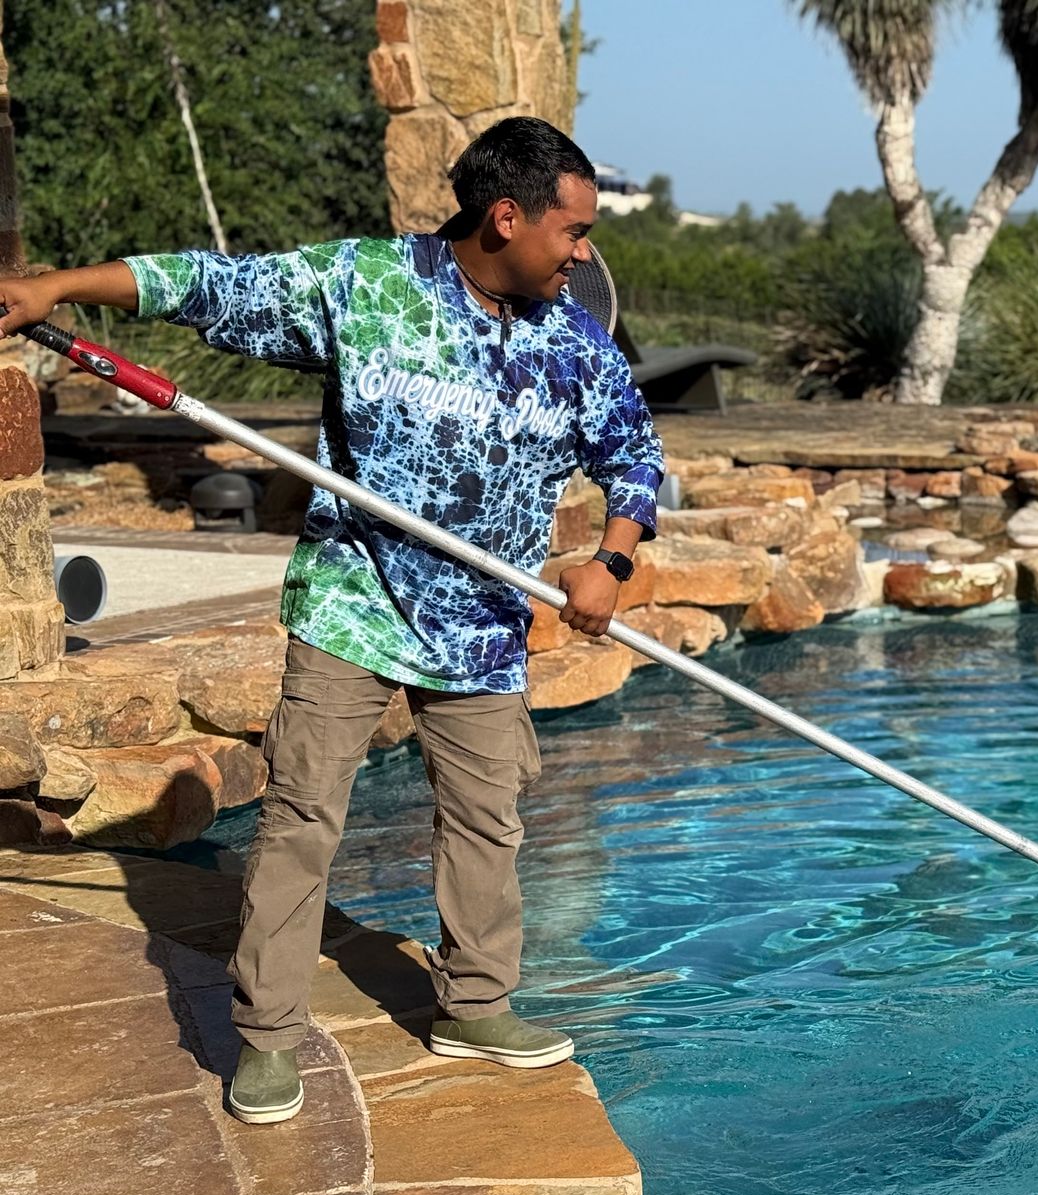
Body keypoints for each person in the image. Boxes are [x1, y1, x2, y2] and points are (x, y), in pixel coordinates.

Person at [0, 117, 661, 1124]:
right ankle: (266, 1038)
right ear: (506, 215)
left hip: (481, 622)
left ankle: (475, 1005)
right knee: (304, 818)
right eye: (573, 232)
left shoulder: (575, 342)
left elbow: (636, 462)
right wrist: (57, 290)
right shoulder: (367, 285)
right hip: (354, 599)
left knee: (488, 820)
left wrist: (611, 560)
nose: (584, 254)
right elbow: (208, 288)